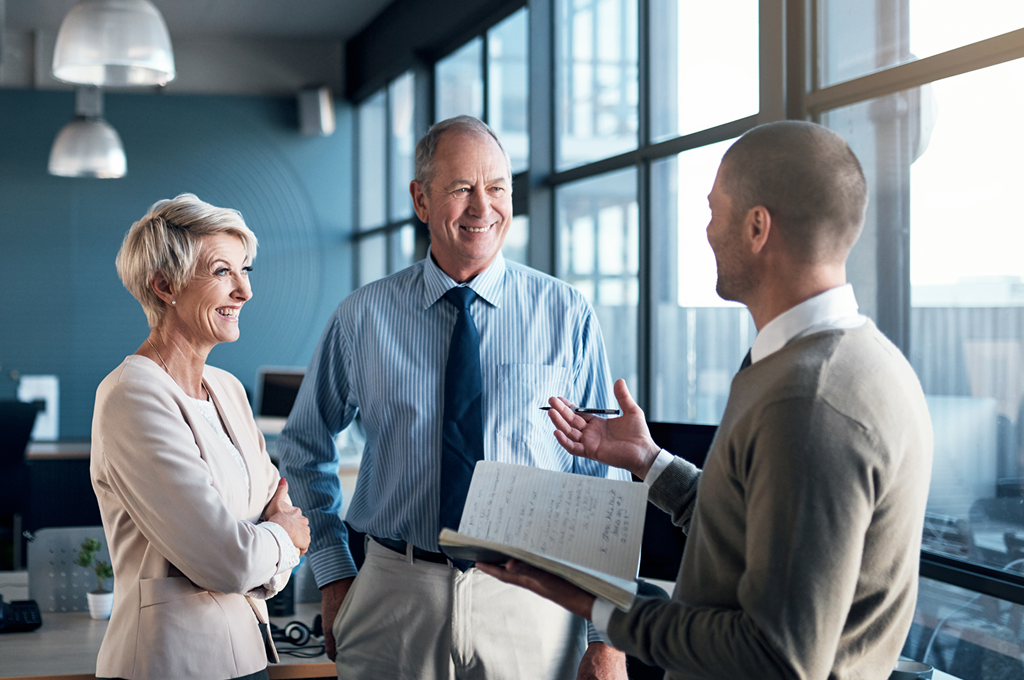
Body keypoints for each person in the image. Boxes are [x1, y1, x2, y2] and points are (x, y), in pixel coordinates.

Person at [478, 120, 934, 680]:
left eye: (715, 210)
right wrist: (650, 464)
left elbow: (775, 655)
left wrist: (596, 602)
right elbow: (753, 537)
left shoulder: (810, 402)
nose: (708, 231)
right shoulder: (836, 364)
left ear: (757, 227)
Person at [278, 116, 629, 680]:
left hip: (532, 597)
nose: (481, 207)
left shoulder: (566, 315)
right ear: (421, 200)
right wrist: (335, 570)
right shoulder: (363, 317)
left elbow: (602, 481)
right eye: (461, 188)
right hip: (396, 590)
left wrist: (607, 635)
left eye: (497, 188)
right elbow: (303, 445)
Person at [91, 194, 311, 680]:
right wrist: (284, 539)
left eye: (245, 269)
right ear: (165, 285)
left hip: (247, 656)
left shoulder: (229, 390)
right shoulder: (132, 396)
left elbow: (272, 513)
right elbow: (228, 560)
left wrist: (265, 549)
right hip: (172, 665)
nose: (245, 291)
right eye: (221, 272)